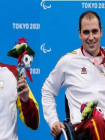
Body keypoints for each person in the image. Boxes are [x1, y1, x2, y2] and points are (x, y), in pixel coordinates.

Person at [42, 11, 105, 140]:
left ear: (101, 31)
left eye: (94, 31)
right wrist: (53, 120)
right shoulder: (69, 61)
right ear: (79, 33)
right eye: (86, 32)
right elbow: (47, 90)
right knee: (96, 122)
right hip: (83, 129)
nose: (91, 37)